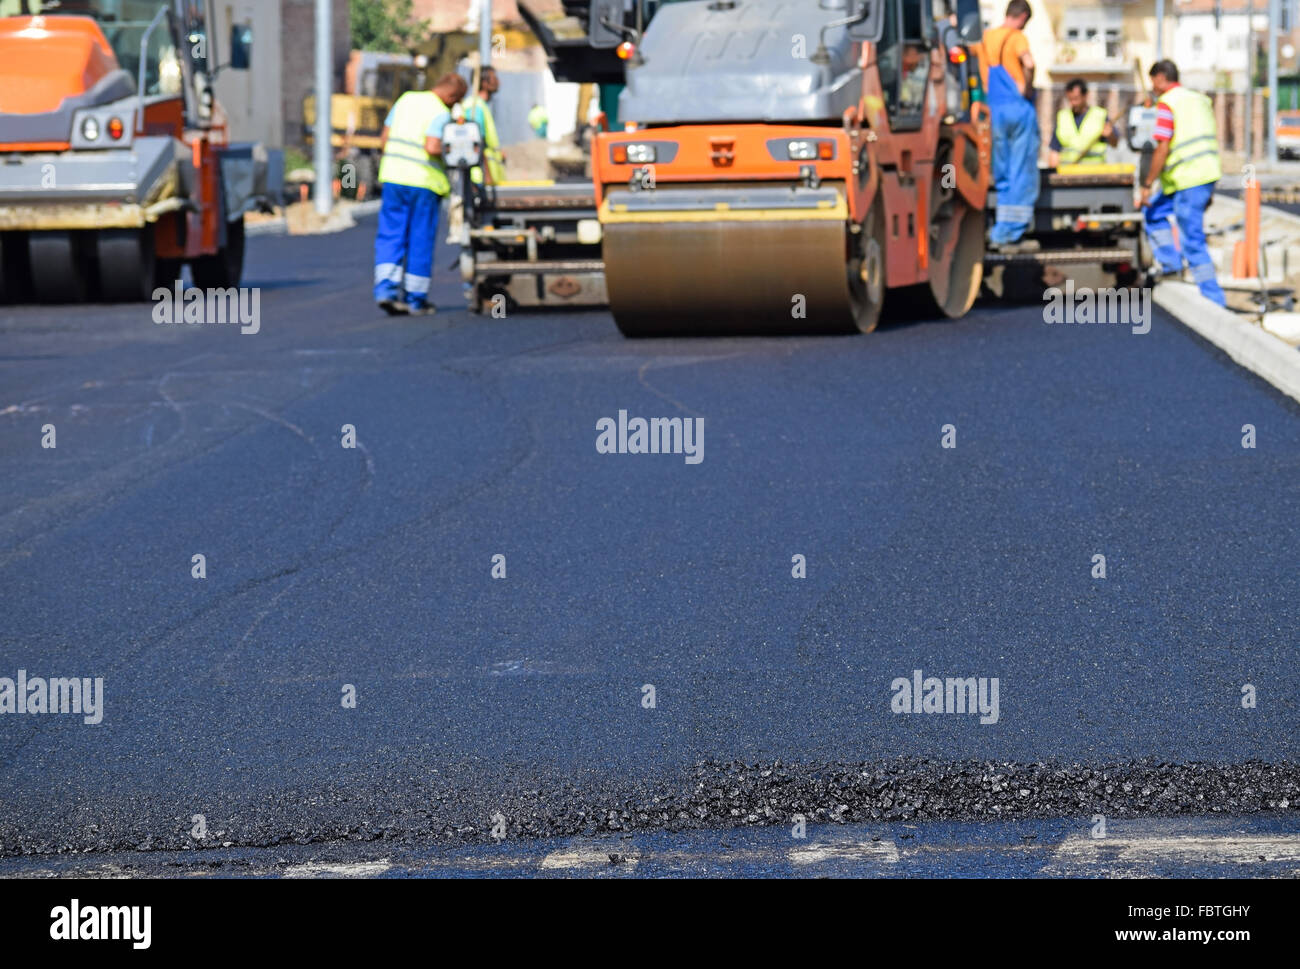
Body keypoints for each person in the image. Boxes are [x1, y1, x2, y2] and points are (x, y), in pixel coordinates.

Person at [373, 72, 467, 316]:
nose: (454, 106)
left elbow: (384, 139)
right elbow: (432, 146)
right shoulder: (440, 112)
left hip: (393, 177)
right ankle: (415, 299)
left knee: (390, 234)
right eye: (456, 101)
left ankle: (386, 290)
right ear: (451, 95)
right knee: (420, 238)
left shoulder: (405, 100)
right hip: (424, 182)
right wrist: (454, 151)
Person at [1138, 60, 1225, 305]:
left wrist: (1146, 184)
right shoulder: (1199, 100)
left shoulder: (1168, 103)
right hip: (1202, 176)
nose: (1152, 87)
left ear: (1161, 78)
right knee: (1153, 213)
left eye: (1153, 81)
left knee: (1191, 238)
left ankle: (1213, 299)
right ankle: (1171, 267)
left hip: (1188, 178)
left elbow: (1162, 146)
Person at [982, 0, 1038, 247]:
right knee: (1021, 170)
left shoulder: (985, 37)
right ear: (1023, 16)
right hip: (1017, 108)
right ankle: (1011, 230)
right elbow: (1029, 63)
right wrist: (1027, 86)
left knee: (1001, 171)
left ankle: (999, 230)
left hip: (992, 110)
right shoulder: (1016, 38)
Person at [1049, 79, 1117, 167]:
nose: (1073, 103)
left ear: (1085, 96)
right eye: (1070, 99)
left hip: (1094, 173)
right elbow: (1055, 150)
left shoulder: (1099, 115)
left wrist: (1110, 135)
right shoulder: (1063, 117)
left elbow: (1115, 143)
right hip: (1068, 173)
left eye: (1076, 99)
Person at [461, 66, 507, 185]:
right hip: (479, 178)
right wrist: (487, 176)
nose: (499, 82)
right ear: (484, 83)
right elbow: (475, 144)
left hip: (484, 177)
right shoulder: (475, 107)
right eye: (494, 78)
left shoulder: (481, 106)